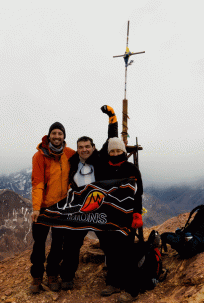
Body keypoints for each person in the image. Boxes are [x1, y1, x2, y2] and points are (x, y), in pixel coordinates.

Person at [54, 105, 118, 290]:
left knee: (108, 244)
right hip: (79, 210)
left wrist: (112, 117)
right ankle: (66, 278)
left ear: (93, 147)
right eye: (80, 147)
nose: (84, 150)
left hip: (101, 209)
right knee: (71, 245)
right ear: (77, 149)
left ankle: (113, 281)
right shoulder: (72, 161)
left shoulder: (100, 158)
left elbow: (112, 139)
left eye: (87, 146)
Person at [30, 122, 76, 293]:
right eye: (54, 133)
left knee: (58, 243)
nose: (57, 136)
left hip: (62, 207)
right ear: (49, 136)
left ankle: (52, 274)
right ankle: (36, 276)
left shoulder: (70, 154)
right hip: (43, 208)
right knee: (39, 243)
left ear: (64, 136)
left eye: (60, 134)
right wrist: (36, 208)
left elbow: (88, 157)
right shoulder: (39, 156)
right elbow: (38, 183)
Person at [97, 137, 144, 303]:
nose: (115, 153)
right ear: (108, 152)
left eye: (118, 150)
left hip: (127, 217)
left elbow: (138, 193)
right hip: (109, 217)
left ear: (124, 152)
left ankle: (133, 290)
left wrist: (137, 214)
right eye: (112, 151)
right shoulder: (103, 169)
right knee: (110, 251)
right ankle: (113, 283)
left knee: (127, 251)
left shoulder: (132, 169)